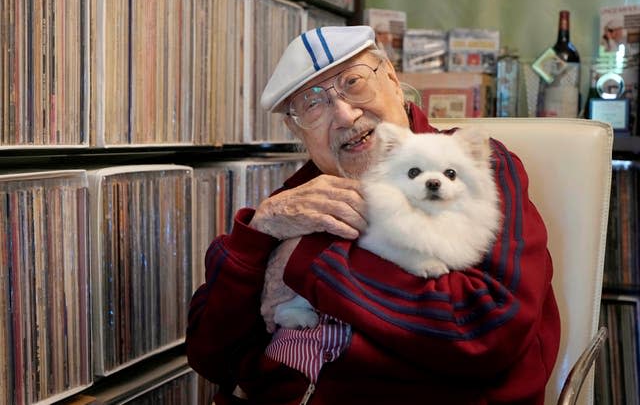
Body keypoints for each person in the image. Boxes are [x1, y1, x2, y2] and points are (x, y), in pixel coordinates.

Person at [186, 25, 560, 405]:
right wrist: (258, 233)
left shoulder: (470, 168)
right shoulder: (295, 203)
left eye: (354, 82)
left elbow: (489, 329)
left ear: (394, 81)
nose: (345, 115)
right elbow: (208, 354)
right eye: (313, 104)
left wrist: (305, 262)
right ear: (295, 129)